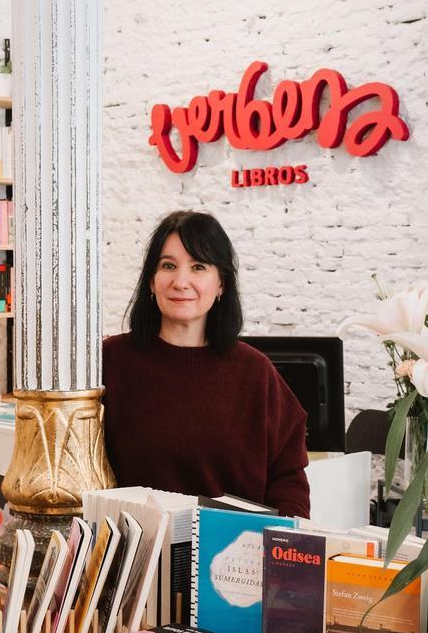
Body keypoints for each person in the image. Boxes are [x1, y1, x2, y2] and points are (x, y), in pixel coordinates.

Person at [103, 211, 311, 516]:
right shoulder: (111, 361)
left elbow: (289, 483)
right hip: (138, 556)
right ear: (151, 280)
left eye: (198, 266)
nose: (181, 281)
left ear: (221, 284)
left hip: (234, 555)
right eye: (168, 266)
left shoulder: (256, 373)